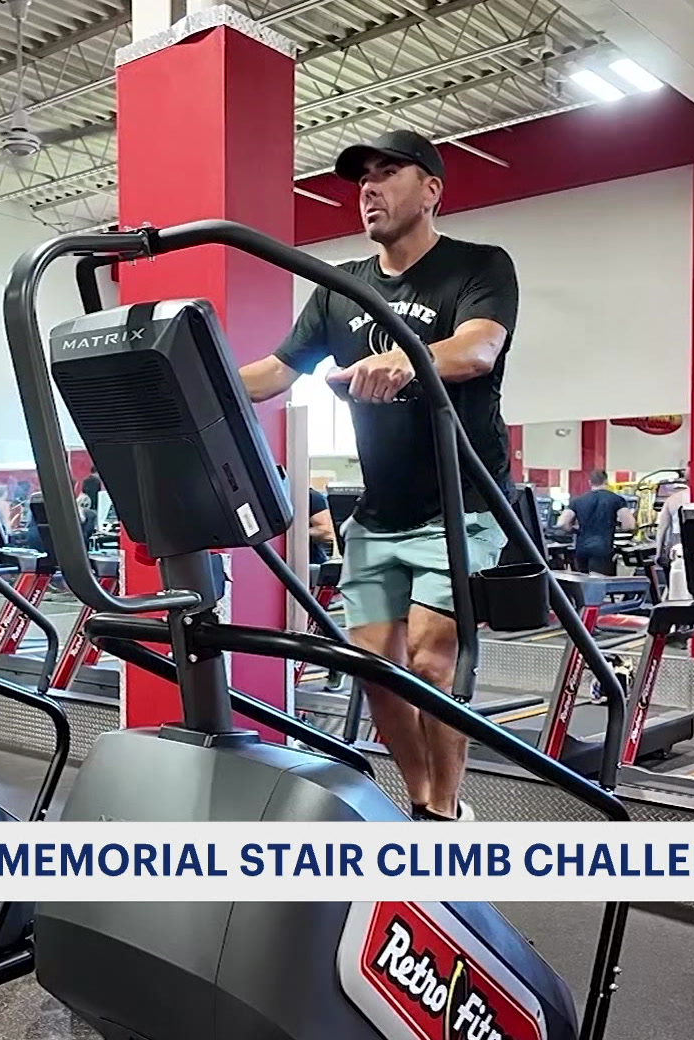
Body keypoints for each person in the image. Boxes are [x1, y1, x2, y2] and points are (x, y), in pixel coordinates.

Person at [236, 129, 516, 822]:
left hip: (462, 505)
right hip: (379, 514)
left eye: (389, 172)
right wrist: (182, 380)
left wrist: (405, 359)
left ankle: (445, 813)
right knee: (376, 672)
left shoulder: (478, 265)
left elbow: (478, 349)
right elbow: (274, 372)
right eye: (362, 178)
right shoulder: (341, 288)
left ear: (431, 190)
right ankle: (422, 800)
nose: (369, 188)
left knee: (430, 662)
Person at [557, 470, 633, 575]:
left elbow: (561, 523)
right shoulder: (616, 499)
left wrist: (574, 529)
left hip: (582, 549)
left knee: (583, 581)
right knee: (601, 582)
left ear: (590, 482)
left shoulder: (577, 500)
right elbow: (629, 525)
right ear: (606, 481)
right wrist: (617, 527)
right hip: (603, 549)